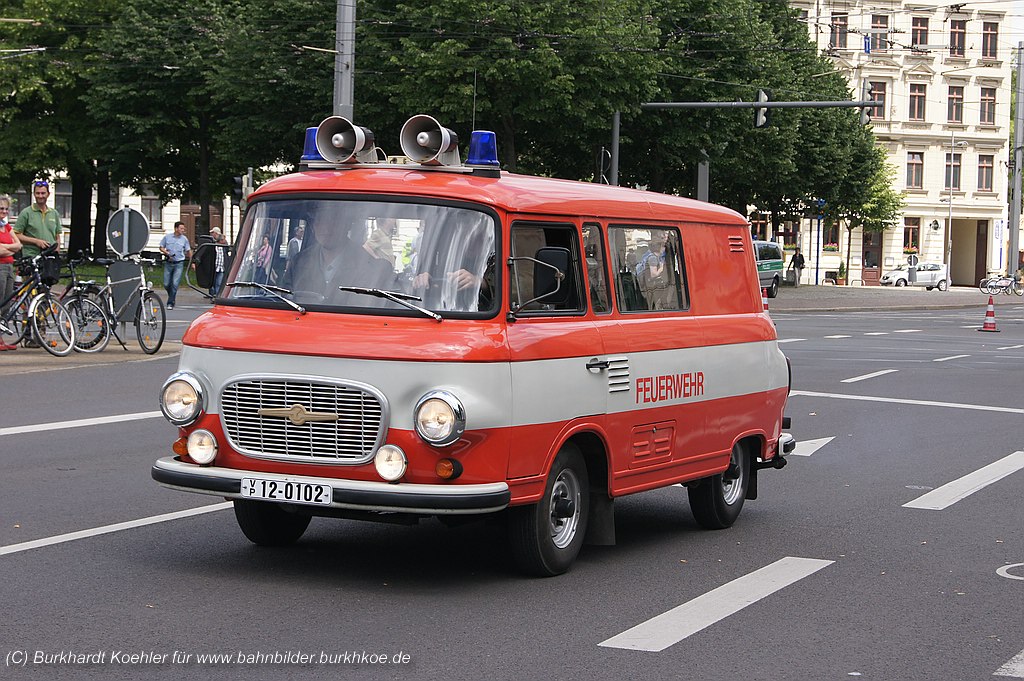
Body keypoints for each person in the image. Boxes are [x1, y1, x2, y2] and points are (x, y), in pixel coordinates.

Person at [14, 180, 62, 259]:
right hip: (32, 257)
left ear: (48, 194)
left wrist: (57, 251)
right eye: (37, 193)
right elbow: (16, 235)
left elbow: (57, 236)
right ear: (34, 194)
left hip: (50, 257)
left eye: (43, 193)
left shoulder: (54, 213)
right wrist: (36, 241)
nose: (40, 196)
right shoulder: (26, 213)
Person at [0, 194, 22, 351]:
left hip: (9, 267)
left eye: (6, 209)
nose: (4, 211)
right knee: (0, 300)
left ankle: (1, 338)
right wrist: (11, 248)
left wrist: (5, 248)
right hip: (0, 267)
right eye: (1, 208)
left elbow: (19, 245)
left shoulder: (6, 226)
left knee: (7, 303)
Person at [159, 221, 191, 309]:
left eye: (183, 228)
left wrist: (192, 262)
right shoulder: (167, 237)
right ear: (176, 228)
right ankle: (171, 295)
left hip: (179, 263)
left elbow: (188, 250)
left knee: (175, 283)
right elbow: (161, 247)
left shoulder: (184, 239)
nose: (183, 230)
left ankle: (170, 302)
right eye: (181, 228)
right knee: (166, 283)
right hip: (169, 262)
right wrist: (166, 252)